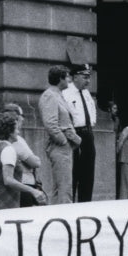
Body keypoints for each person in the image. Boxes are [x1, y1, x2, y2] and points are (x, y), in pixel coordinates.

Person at [0, 111, 48, 210]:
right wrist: (33, 191)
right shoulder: (8, 150)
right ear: (9, 131)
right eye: (16, 128)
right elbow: (8, 180)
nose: (18, 132)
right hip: (6, 207)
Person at [38, 65, 80, 204]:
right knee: (64, 188)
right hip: (59, 147)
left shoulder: (58, 95)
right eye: (67, 76)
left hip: (64, 147)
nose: (69, 80)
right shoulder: (49, 95)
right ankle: (64, 218)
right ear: (60, 78)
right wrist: (63, 141)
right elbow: (50, 124)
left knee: (61, 187)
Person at [62, 64, 97, 202]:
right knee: (74, 171)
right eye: (85, 77)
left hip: (88, 133)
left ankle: (85, 203)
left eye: (89, 77)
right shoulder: (66, 93)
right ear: (75, 77)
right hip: (74, 133)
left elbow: (92, 111)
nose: (88, 81)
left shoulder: (86, 93)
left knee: (88, 172)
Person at [0, 103, 43, 207]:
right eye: (21, 116)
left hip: (22, 185)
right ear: (16, 119)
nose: (23, 120)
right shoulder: (15, 140)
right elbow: (35, 162)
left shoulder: (6, 140)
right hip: (23, 185)